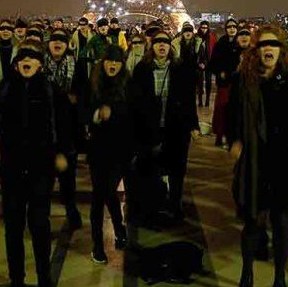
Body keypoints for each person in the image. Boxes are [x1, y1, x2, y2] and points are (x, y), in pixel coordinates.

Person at [0, 45, 72, 287]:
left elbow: (65, 124)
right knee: (13, 227)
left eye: (32, 58)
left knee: (39, 224)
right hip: (12, 167)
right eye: (23, 58)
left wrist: (63, 153)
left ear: (41, 65)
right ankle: (16, 282)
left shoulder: (51, 90)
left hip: (41, 167)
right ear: (16, 64)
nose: (27, 62)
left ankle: (43, 278)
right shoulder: (6, 87)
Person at [229, 26, 288, 287]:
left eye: (274, 44)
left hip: (283, 158)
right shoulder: (244, 78)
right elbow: (233, 113)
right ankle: (246, 275)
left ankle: (280, 279)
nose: (269, 49)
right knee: (253, 222)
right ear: (256, 49)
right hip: (255, 158)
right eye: (263, 44)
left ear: (281, 48)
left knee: (282, 223)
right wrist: (236, 140)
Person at [130, 29, 200, 222]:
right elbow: (135, 101)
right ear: (152, 46)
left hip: (175, 128)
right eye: (158, 42)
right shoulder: (142, 69)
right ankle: (151, 206)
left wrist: (193, 124)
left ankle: (175, 205)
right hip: (149, 128)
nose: (162, 45)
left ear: (170, 46)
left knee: (177, 170)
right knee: (150, 169)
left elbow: (188, 100)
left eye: (165, 42)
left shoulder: (181, 68)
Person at [86, 44, 131, 262]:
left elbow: (134, 114)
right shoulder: (93, 84)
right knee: (99, 195)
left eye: (117, 61)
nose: (112, 65)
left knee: (107, 191)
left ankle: (119, 228)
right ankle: (97, 244)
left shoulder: (128, 85)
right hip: (98, 148)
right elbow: (84, 112)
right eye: (109, 61)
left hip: (119, 149)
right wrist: (97, 114)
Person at [42, 29, 82, 229]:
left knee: (68, 175)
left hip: (68, 128)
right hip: (44, 128)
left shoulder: (77, 65)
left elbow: (82, 93)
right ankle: (41, 216)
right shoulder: (38, 65)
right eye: (54, 39)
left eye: (61, 40)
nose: (57, 43)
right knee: (43, 176)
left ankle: (70, 207)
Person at [209, 20, 241, 146]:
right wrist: (220, 72)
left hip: (237, 83)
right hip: (224, 83)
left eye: (234, 26)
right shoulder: (221, 43)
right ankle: (220, 135)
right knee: (222, 109)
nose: (232, 29)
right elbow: (213, 63)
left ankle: (230, 137)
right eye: (229, 27)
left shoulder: (241, 44)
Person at [195, 21, 216, 107]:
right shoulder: (196, 37)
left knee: (208, 82)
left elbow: (214, 50)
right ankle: (200, 100)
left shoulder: (211, 38)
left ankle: (207, 100)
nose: (204, 30)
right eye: (202, 28)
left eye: (205, 28)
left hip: (209, 63)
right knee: (199, 82)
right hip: (199, 63)